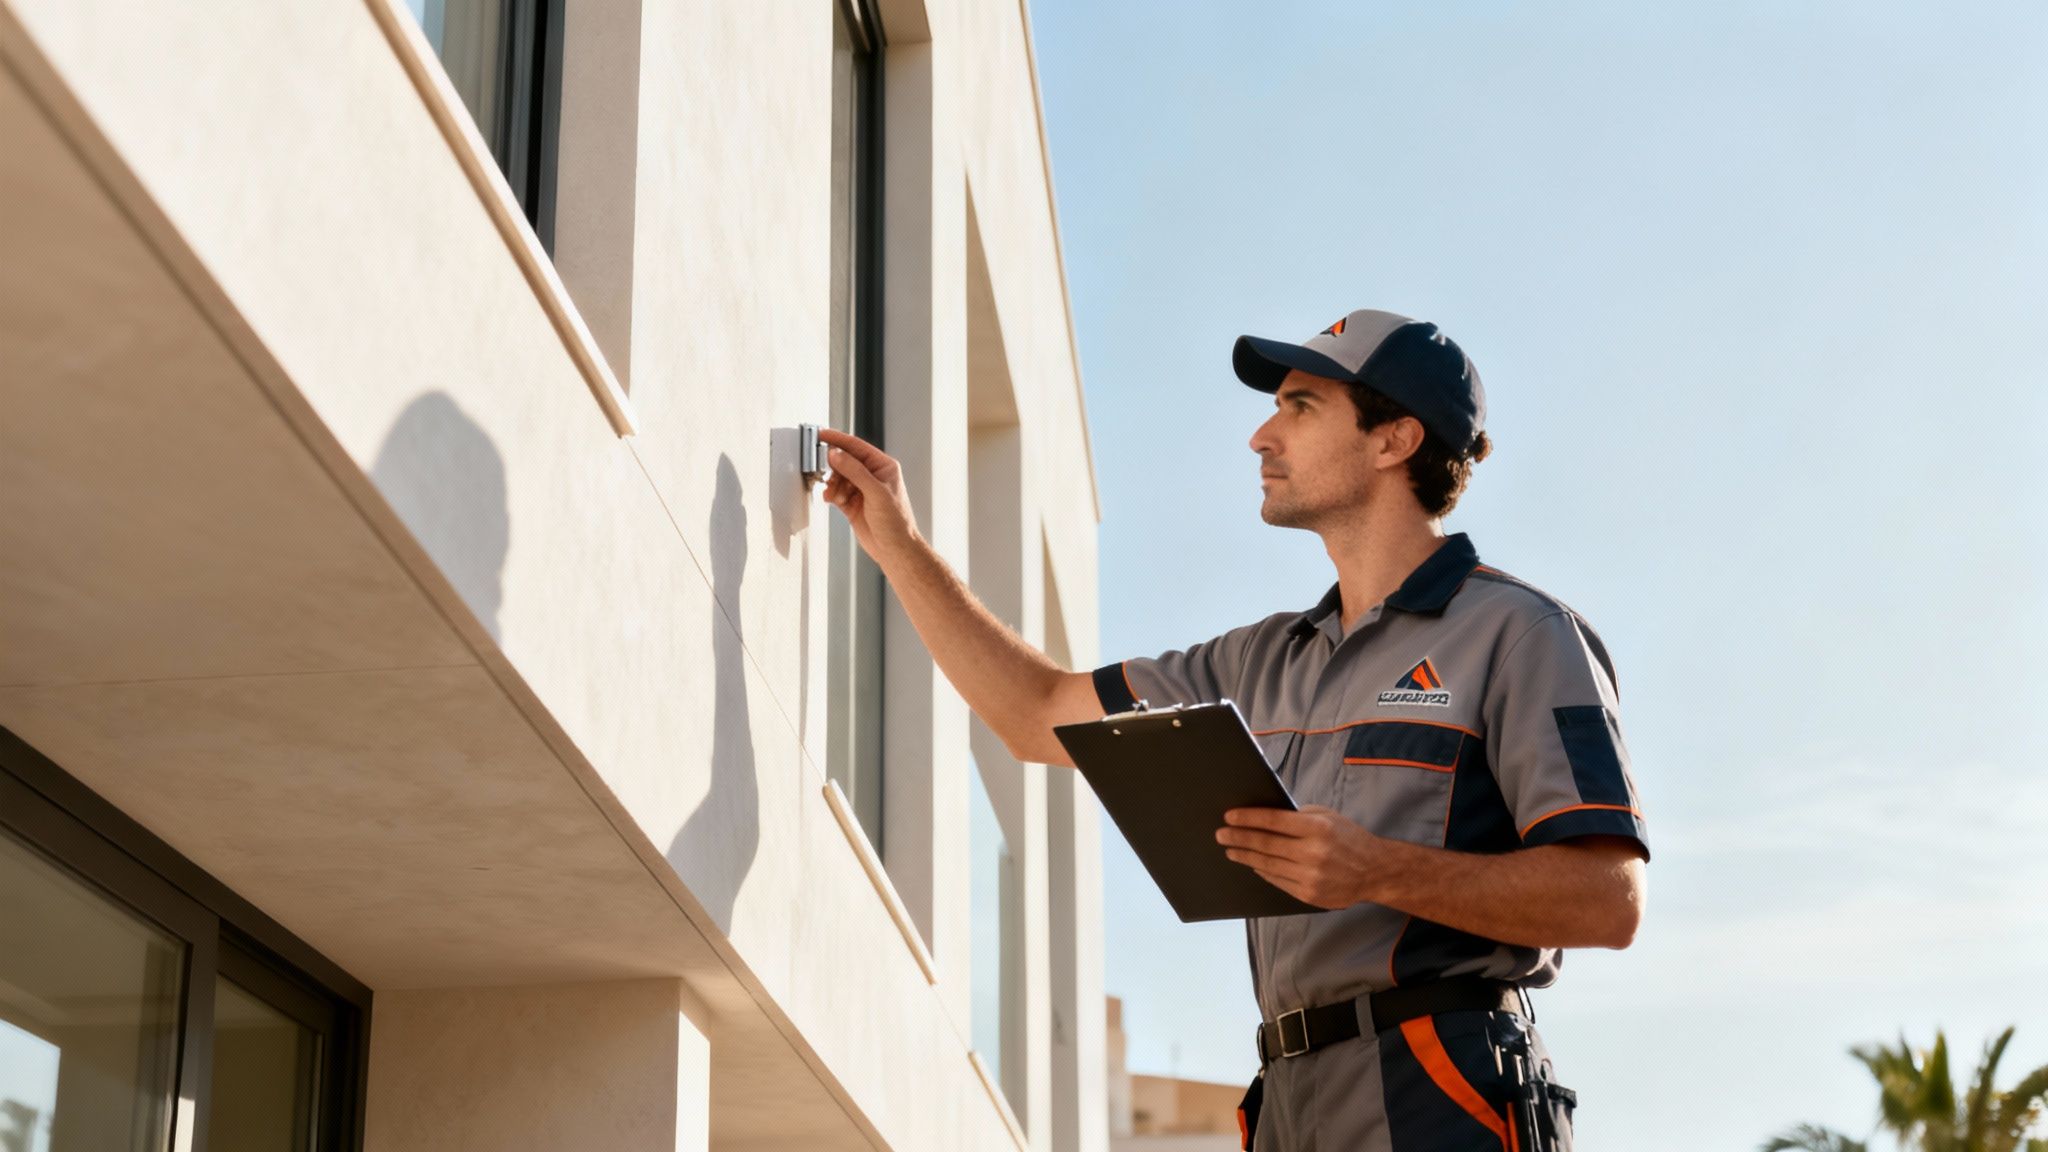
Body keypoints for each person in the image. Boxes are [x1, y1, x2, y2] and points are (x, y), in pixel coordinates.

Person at [817, 308, 1648, 1151]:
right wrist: (899, 545)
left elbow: (1610, 901)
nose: (1261, 436)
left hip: (1441, 1084)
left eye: (1300, 407)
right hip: (1286, 1094)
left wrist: (1376, 870)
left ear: (1394, 440)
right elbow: (1033, 717)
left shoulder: (1521, 634)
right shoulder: (1255, 661)